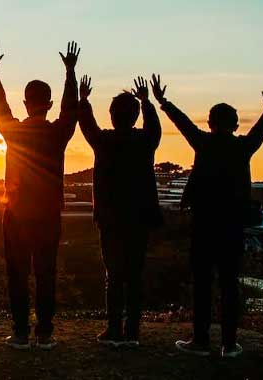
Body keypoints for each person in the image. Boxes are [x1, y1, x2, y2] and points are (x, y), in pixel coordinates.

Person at [152, 75, 263, 358]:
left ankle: (200, 340)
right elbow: (259, 131)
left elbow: (183, 123)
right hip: (233, 226)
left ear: (210, 123)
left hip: (204, 224)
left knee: (202, 284)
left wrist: (163, 101)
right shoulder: (242, 147)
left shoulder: (204, 143)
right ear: (235, 124)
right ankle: (229, 343)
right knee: (229, 285)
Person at [0, 41, 79, 350]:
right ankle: (45, 333)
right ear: (48, 104)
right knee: (46, 273)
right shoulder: (58, 133)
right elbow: (71, 110)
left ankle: (22, 332)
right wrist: (70, 72)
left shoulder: (14, 131)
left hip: (16, 212)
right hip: (49, 213)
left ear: (25, 103)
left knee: (17, 273)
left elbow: (0, 107)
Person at [77, 75, 162, 348]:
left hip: (111, 219)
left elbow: (86, 125)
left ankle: (114, 330)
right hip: (140, 217)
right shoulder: (145, 141)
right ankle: (132, 332)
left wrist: (84, 100)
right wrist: (147, 101)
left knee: (113, 275)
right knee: (135, 275)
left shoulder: (104, 141)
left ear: (112, 116)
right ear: (135, 116)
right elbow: (155, 129)